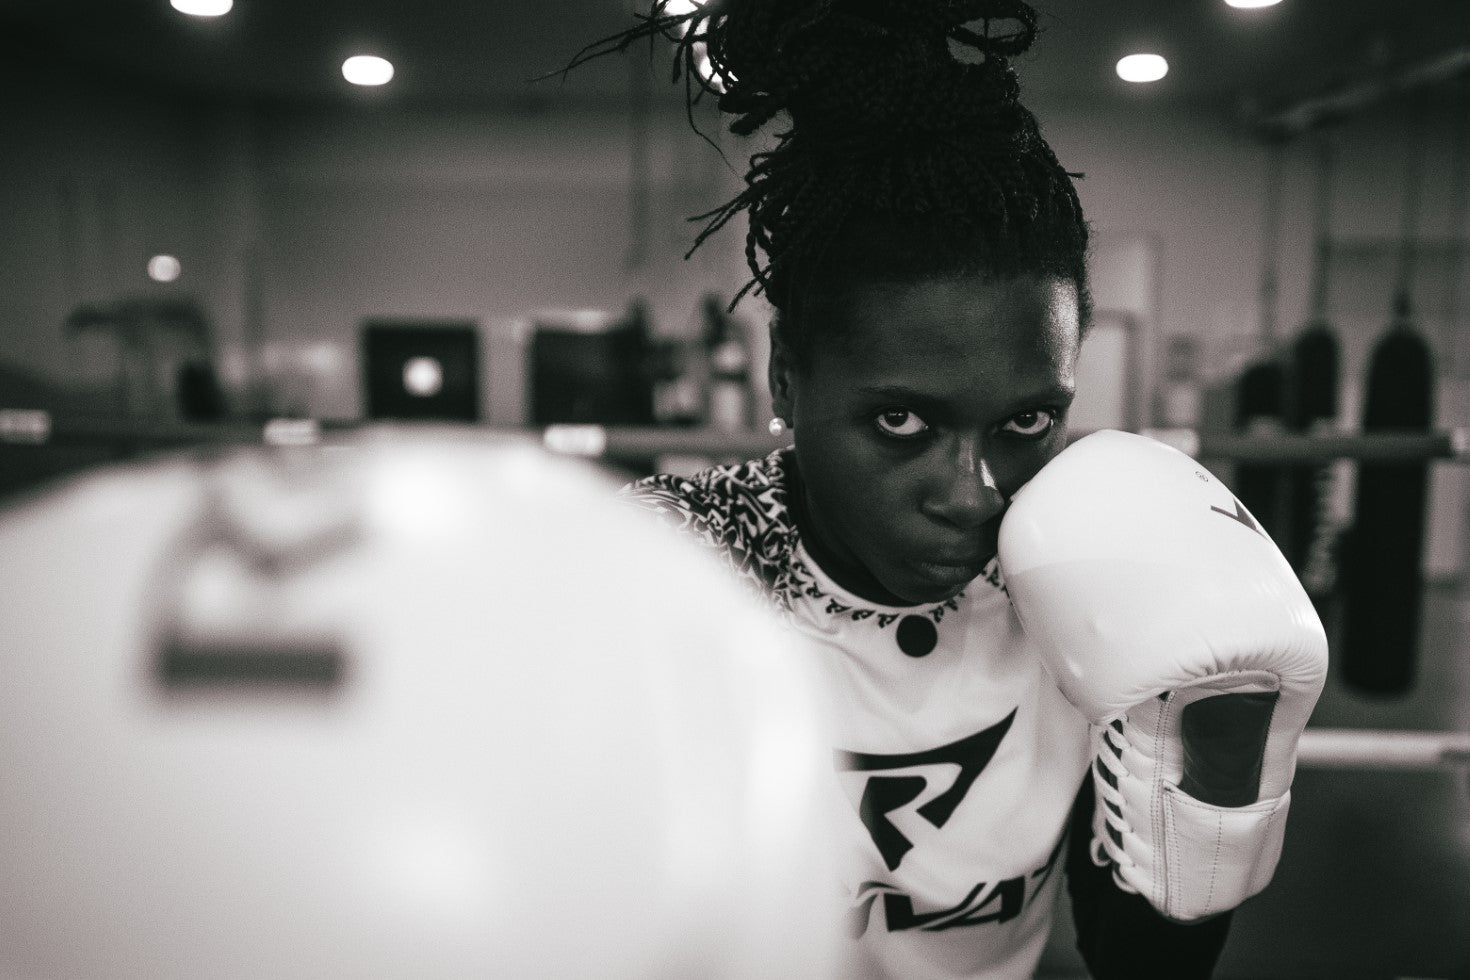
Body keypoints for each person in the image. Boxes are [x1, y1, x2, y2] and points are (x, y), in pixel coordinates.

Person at [572, 1, 1328, 977]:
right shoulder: (683, 572)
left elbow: (1143, 962)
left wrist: (1219, 766)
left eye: (1024, 420)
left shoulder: (1095, 574)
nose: (973, 494)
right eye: (902, 422)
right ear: (787, 377)